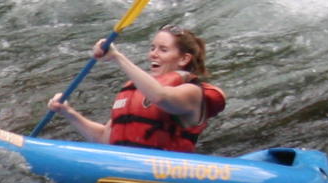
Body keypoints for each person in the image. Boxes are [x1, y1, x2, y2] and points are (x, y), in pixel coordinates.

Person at [47, 27, 224, 150]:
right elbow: (104, 139)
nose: (152, 54)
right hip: (128, 167)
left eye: (163, 49)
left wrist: (117, 57)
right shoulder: (135, 91)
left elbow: (161, 97)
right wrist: (68, 113)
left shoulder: (192, 91)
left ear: (184, 59)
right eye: (152, 47)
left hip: (169, 172)